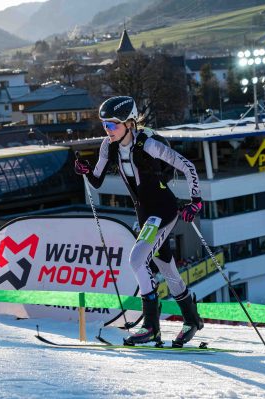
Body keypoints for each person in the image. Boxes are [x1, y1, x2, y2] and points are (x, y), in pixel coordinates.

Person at [74, 96, 204, 347]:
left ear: (129, 123)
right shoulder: (107, 146)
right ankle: (192, 319)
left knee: (136, 259)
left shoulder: (149, 144)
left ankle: (151, 328)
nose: (107, 130)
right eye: (104, 125)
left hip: (163, 210)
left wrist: (196, 201)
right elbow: (97, 181)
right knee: (167, 269)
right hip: (144, 213)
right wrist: (86, 170)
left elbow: (187, 166)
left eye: (112, 125)